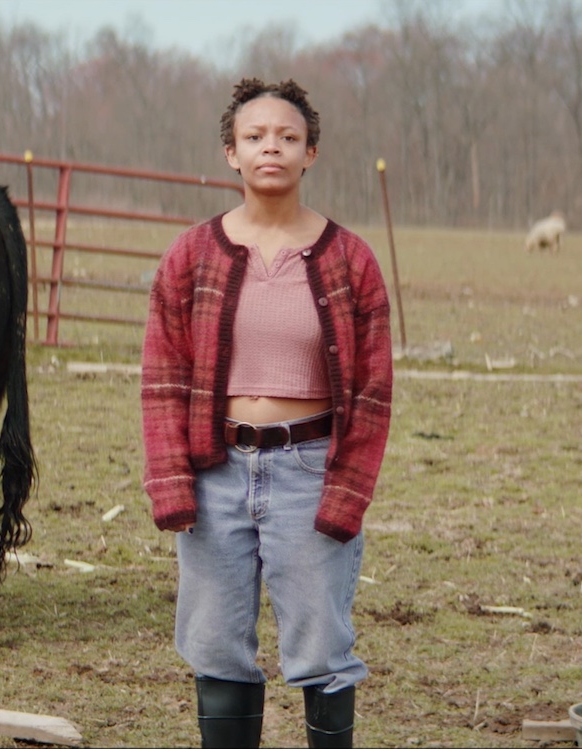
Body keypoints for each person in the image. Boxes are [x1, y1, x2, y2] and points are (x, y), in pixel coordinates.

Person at [141, 78, 394, 749]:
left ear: (311, 152)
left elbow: (372, 392)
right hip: (215, 466)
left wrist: (347, 493)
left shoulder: (351, 260)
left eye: (287, 136)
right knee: (216, 641)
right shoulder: (190, 257)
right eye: (255, 137)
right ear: (231, 153)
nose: (270, 148)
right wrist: (171, 482)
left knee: (321, 641)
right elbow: (162, 377)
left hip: (310, 466)